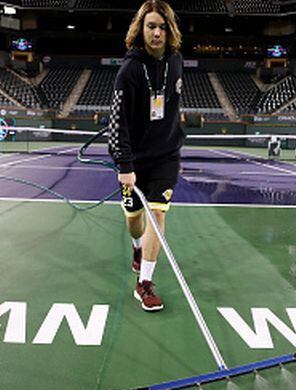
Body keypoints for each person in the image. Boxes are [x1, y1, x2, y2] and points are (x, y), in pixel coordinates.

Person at [108, 0, 185, 312]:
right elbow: (117, 122)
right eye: (151, 26)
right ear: (140, 29)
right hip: (135, 161)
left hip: (166, 156)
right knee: (134, 220)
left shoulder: (176, 62)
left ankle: (145, 283)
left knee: (158, 214)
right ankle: (137, 247)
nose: (157, 32)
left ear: (170, 31)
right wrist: (124, 165)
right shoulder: (129, 70)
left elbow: (174, 105)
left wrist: (175, 144)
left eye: (162, 27)